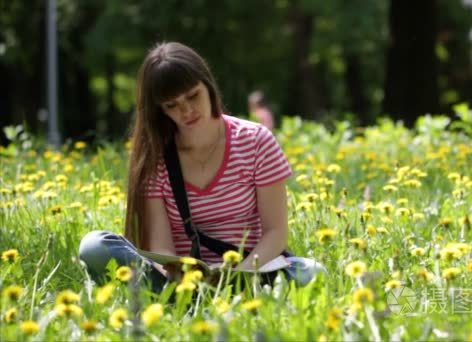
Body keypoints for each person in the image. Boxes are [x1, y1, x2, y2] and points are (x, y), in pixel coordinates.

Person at [78, 42, 322, 289]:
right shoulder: (155, 157)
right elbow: (161, 247)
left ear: (208, 85)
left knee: (313, 273)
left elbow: (276, 233)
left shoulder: (256, 141)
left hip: (251, 272)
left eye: (193, 96)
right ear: (160, 110)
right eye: (172, 105)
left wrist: (235, 277)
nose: (186, 111)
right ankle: (183, 300)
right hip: (182, 280)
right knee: (94, 247)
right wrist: (183, 279)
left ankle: (216, 299)